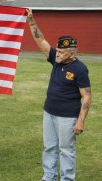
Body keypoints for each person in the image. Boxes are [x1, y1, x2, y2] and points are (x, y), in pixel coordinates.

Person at [26, 9, 92, 181]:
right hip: (49, 112)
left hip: (67, 117)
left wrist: (80, 120)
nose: (58, 55)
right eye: (58, 51)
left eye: (62, 53)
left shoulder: (80, 69)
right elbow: (40, 40)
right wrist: (32, 21)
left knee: (66, 149)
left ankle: (67, 178)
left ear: (72, 53)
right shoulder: (56, 58)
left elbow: (86, 95)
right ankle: (49, 176)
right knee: (49, 147)